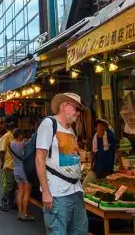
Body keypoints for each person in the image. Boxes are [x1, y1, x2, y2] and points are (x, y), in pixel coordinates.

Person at [36, 93, 87, 235]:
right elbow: (40, 157)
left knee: (80, 231)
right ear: (64, 106)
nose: (78, 113)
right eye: (76, 109)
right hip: (57, 192)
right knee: (58, 231)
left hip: (76, 190)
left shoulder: (70, 129)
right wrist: (46, 192)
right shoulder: (49, 124)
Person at [10, 129, 32, 222]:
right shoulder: (23, 144)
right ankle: (24, 214)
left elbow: (12, 156)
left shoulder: (10, 145)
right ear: (19, 135)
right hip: (24, 169)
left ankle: (19, 213)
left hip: (16, 169)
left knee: (20, 191)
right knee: (27, 192)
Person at [0, 117, 17, 211]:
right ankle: (4, 201)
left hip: (14, 164)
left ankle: (11, 202)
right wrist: (1, 163)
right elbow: (1, 151)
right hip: (8, 164)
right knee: (9, 184)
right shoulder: (6, 136)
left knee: (13, 184)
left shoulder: (14, 136)